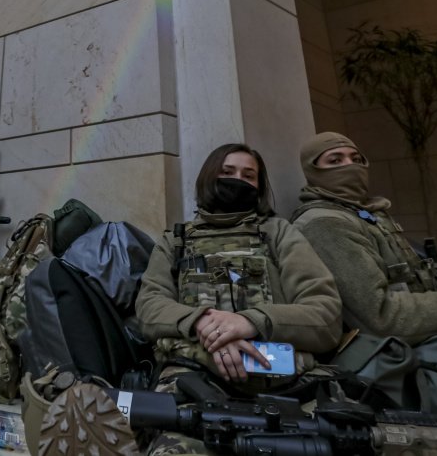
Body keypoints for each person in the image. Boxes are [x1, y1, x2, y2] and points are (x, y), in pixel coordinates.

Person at [291, 131, 437, 449]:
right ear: (313, 170)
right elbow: (381, 318)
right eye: (335, 160)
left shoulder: (367, 214)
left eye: (357, 158)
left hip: (435, 334)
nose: (351, 165)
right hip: (396, 353)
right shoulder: (325, 223)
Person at [133, 143, 343, 456]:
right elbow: (149, 307)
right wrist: (205, 325)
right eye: (227, 172)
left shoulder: (278, 233)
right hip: (195, 376)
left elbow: (325, 314)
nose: (238, 180)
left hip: (290, 381)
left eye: (249, 175)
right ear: (208, 178)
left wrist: (249, 322)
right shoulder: (176, 240)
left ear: (259, 187)